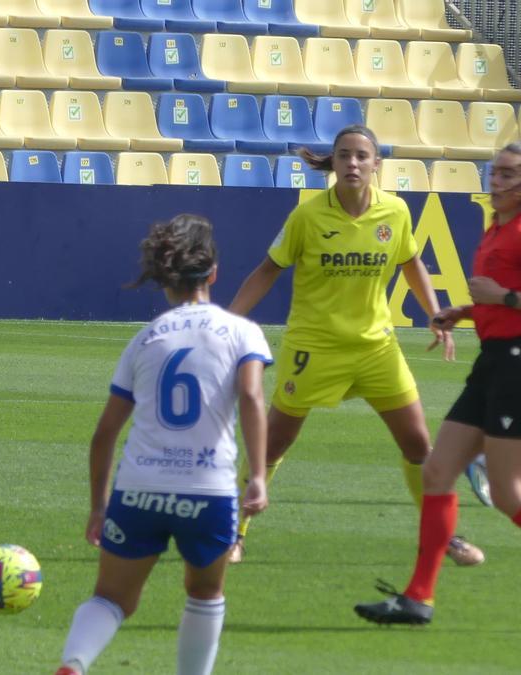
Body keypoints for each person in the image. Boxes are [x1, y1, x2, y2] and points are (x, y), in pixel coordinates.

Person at [226, 124, 483, 567]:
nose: (352, 163)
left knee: (418, 445)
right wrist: (229, 322)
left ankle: (444, 536)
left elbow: (411, 262)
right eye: (344, 155)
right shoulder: (308, 217)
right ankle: (233, 531)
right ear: (334, 162)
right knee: (274, 445)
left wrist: (434, 311)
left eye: (362, 156)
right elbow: (268, 270)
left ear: (376, 164)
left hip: (375, 349)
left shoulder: (396, 212)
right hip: (314, 347)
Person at [56, 215, 271, 675]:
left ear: (164, 280)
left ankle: (73, 665)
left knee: (111, 599)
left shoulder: (145, 339)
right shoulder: (242, 332)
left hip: (139, 488)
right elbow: (252, 396)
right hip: (207, 489)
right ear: (214, 273)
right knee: (205, 593)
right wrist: (256, 476)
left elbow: (104, 433)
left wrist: (99, 507)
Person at [355, 143, 521, 625]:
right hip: (493, 361)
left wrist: (506, 297)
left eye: (510, 175)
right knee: (436, 471)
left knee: (509, 494)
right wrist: (466, 312)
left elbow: (508, 296)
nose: (498, 182)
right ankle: (418, 598)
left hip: (515, 364)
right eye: (496, 173)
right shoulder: (498, 227)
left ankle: (418, 597)